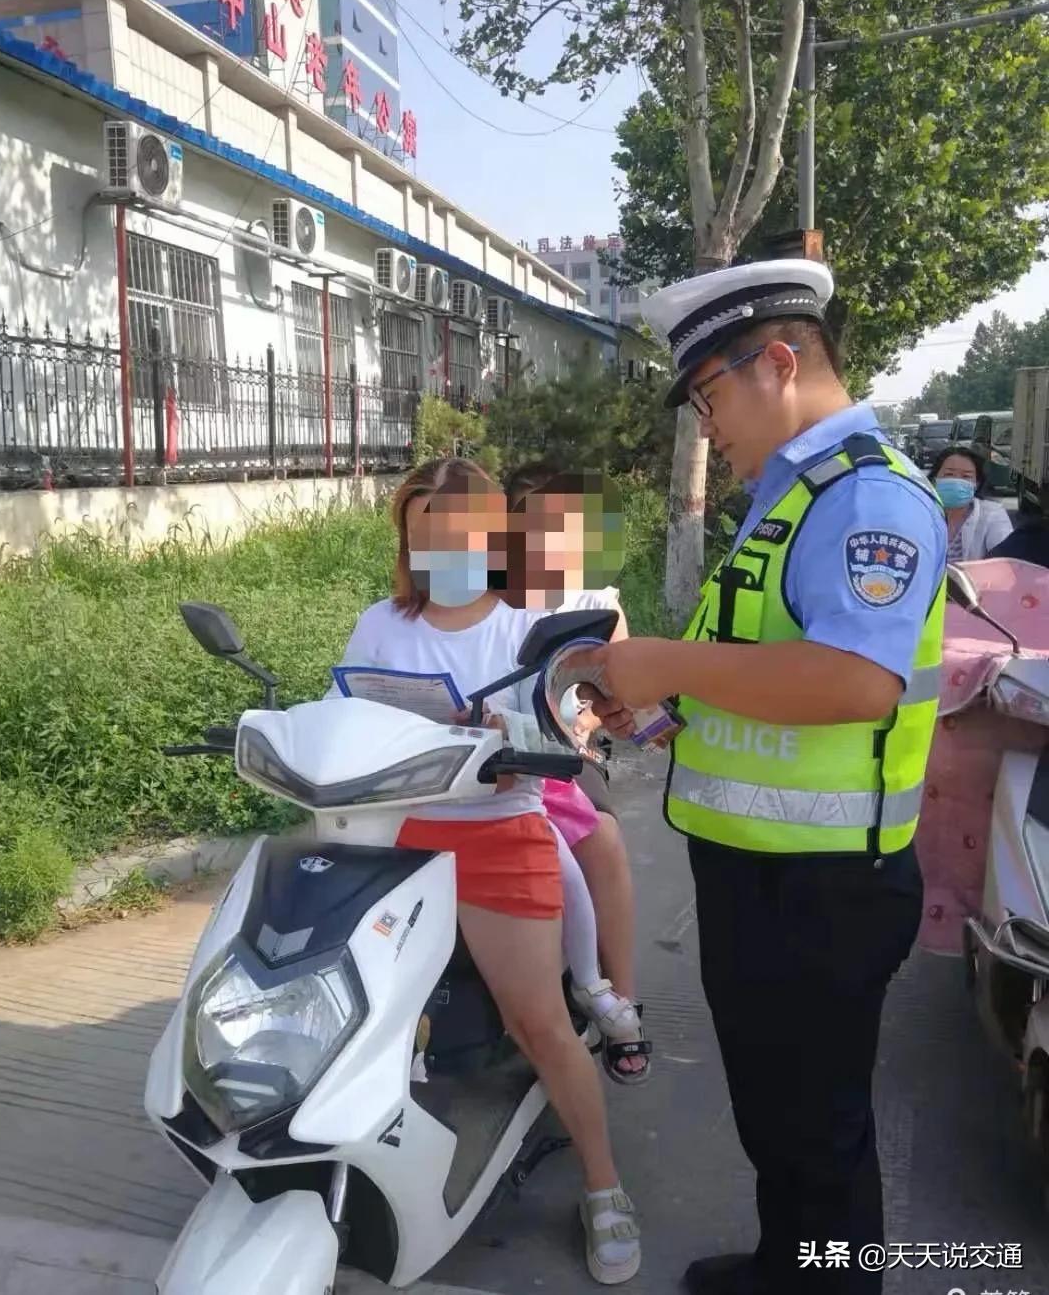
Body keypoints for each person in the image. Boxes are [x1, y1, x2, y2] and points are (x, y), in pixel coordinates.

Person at [576, 259, 947, 1295]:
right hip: (761, 879)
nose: (707, 428)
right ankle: (789, 1266)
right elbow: (766, 667)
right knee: (778, 1118)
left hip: (823, 890)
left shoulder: (865, 496)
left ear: (777, 364)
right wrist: (659, 708)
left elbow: (858, 681)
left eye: (709, 399)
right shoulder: (790, 502)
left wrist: (671, 663)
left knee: (819, 1133)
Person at [338, 457, 641, 1285]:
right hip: (397, 840)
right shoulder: (380, 623)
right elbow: (343, 718)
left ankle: (604, 1186)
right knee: (360, 1013)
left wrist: (513, 736)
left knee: (539, 1023)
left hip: (500, 837)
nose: (441, 538)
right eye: (423, 522)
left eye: (459, 522)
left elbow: (559, 746)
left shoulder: (521, 629)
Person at [504, 464, 651, 1085]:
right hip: (479, 750)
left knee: (604, 839)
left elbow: (630, 704)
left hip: (564, 755)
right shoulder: (484, 593)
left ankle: (620, 999)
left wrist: (591, 719)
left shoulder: (595, 602)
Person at [927, 445, 1012, 561]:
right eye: (949, 474)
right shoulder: (921, 513)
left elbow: (1004, 562)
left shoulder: (992, 515)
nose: (957, 481)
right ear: (934, 479)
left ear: (976, 484)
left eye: (966, 476)